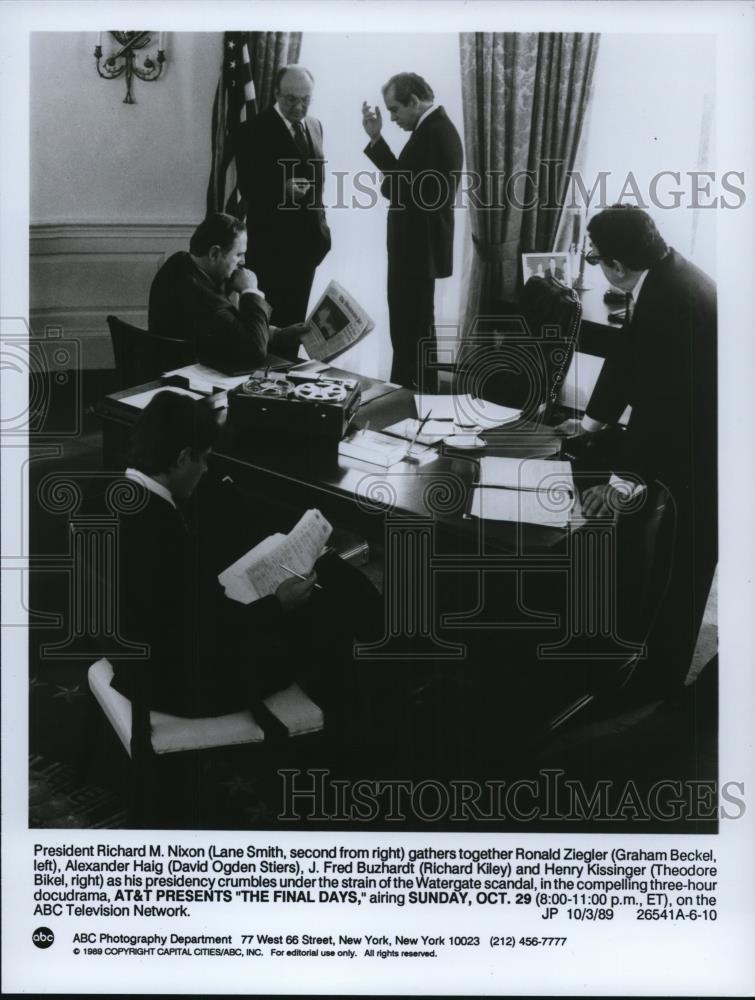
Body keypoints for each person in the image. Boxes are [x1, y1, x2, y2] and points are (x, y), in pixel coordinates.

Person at [110, 391, 382, 726]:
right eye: (203, 459)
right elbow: (209, 631)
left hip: (138, 659)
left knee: (317, 611)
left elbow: (178, 603)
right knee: (324, 623)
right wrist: (278, 604)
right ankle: (347, 745)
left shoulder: (121, 498)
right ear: (181, 458)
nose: (206, 469)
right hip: (181, 683)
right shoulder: (160, 528)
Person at [559, 204, 717, 696]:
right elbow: (629, 359)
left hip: (703, 449)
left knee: (678, 568)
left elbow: (659, 411)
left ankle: (656, 684)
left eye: (595, 258)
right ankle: (648, 665)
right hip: (694, 429)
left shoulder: (671, 300)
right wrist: (588, 422)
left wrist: (619, 482)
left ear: (617, 266)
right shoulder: (667, 274)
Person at [362, 72, 463, 390]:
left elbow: (395, 186)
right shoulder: (433, 129)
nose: (392, 118)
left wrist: (380, 149)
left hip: (416, 253)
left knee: (409, 335)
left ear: (415, 101)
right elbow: (403, 181)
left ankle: (406, 404)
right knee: (416, 333)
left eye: (394, 110)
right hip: (421, 252)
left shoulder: (432, 134)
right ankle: (414, 402)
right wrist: (377, 139)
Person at [148, 213, 305, 373]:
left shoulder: (179, 262)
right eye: (238, 254)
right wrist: (250, 291)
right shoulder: (201, 297)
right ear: (214, 254)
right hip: (190, 381)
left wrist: (278, 334)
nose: (243, 261)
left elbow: (231, 328)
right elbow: (254, 351)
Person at [237, 65, 331, 326]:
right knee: (269, 328)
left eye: (306, 100)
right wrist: (282, 187)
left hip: (308, 247)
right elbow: (246, 186)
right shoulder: (252, 129)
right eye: (291, 99)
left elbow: (318, 183)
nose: (299, 107)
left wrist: (322, 230)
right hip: (271, 249)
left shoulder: (316, 126)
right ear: (277, 94)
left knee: (295, 324)